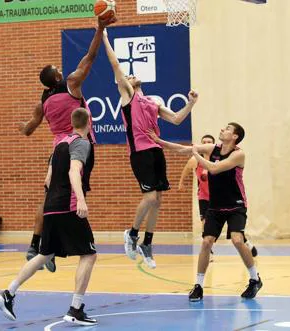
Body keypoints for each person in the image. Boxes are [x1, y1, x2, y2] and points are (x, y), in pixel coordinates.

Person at [17, 16, 115, 273]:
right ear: (57, 76)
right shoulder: (71, 83)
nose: (61, 68)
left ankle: (36, 245)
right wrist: (101, 29)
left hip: (56, 150)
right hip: (75, 145)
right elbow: (91, 56)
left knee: (50, 197)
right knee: (75, 194)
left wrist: (22, 127)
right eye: (57, 67)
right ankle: (59, 244)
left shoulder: (43, 102)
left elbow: (29, 129)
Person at [102, 29, 198, 268]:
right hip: (140, 153)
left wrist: (192, 103)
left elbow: (176, 118)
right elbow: (115, 64)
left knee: (158, 201)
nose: (132, 76)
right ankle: (132, 233)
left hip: (156, 151)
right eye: (129, 75)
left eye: (133, 75)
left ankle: (147, 242)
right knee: (150, 196)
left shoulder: (153, 102)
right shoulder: (128, 96)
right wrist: (103, 35)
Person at [0, 108, 98, 326]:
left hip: (50, 206)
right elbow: (73, 171)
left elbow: (48, 179)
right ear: (89, 122)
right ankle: (75, 309)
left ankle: (8, 293)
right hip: (67, 206)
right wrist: (80, 199)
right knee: (89, 254)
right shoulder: (81, 143)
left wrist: (53, 201)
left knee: (45, 254)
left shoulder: (60, 143)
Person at [149, 123, 263, 300]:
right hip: (215, 206)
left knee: (237, 239)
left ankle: (255, 279)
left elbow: (215, 168)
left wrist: (196, 155)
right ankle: (198, 286)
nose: (222, 130)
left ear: (234, 137)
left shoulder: (238, 154)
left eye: (227, 129)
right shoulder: (212, 148)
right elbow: (181, 149)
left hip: (236, 205)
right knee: (206, 242)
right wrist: (158, 141)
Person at [179, 134, 258, 259]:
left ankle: (246, 243)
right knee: (205, 223)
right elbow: (187, 168)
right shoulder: (195, 160)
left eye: (208, 142)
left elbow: (219, 170)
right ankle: (208, 251)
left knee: (235, 231)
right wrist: (181, 182)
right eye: (203, 141)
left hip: (222, 198)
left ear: (213, 144)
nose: (205, 143)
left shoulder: (218, 159)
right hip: (204, 197)